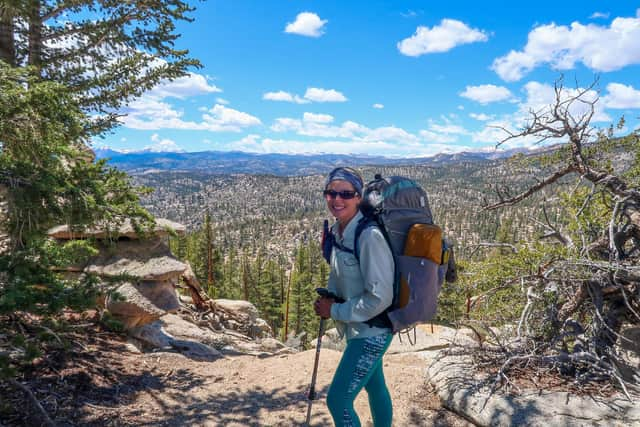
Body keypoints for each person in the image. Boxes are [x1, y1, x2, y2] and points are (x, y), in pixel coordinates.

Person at [314, 166, 395, 427]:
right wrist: (330, 298)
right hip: (361, 328)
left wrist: (334, 311)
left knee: (338, 401)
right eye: (331, 193)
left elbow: (379, 297)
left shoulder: (369, 236)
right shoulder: (341, 230)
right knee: (375, 386)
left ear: (358, 197)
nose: (337, 199)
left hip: (372, 331)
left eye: (346, 194)